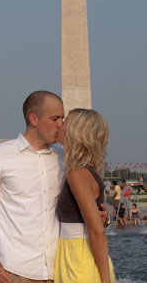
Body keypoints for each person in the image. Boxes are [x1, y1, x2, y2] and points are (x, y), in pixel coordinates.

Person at [0, 91, 108, 283]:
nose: (61, 124)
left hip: (61, 270)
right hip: (16, 271)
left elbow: (77, 209)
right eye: (55, 118)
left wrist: (101, 218)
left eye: (62, 118)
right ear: (34, 119)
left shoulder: (64, 159)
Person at [55, 109, 115, 283]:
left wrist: (106, 280)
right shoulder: (89, 171)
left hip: (78, 259)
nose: (60, 124)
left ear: (75, 131)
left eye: (65, 121)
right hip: (78, 255)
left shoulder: (77, 174)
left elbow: (97, 231)